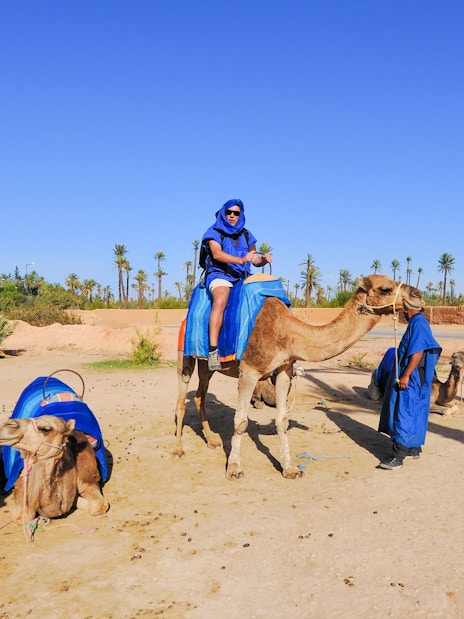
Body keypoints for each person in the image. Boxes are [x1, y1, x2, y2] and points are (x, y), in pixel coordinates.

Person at [201, 199, 272, 371]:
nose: (232, 216)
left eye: (236, 213)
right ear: (224, 213)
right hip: (220, 275)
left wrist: (262, 260)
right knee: (220, 300)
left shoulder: (247, 235)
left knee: (266, 302)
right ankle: (213, 351)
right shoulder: (214, 232)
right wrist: (241, 259)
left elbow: (253, 258)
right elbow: (217, 254)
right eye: (229, 212)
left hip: (242, 276)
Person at [378, 305, 442, 470]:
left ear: (407, 310)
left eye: (402, 310)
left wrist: (406, 374)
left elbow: (418, 352)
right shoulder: (418, 322)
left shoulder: (418, 323)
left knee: (404, 412)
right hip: (417, 376)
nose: (402, 313)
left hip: (413, 377)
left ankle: (397, 457)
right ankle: (413, 448)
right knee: (416, 410)